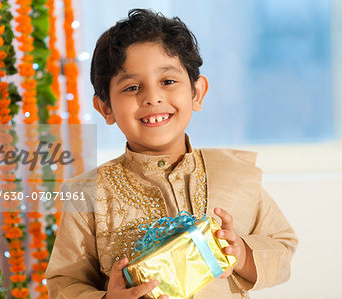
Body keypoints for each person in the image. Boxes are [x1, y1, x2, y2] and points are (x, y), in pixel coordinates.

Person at [46, 8, 298, 299]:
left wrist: (241, 253)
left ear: (197, 92)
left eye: (167, 81)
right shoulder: (89, 194)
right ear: (105, 108)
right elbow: (63, 282)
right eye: (132, 87)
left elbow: (282, 244)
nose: (152, 97)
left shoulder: (236, 175)